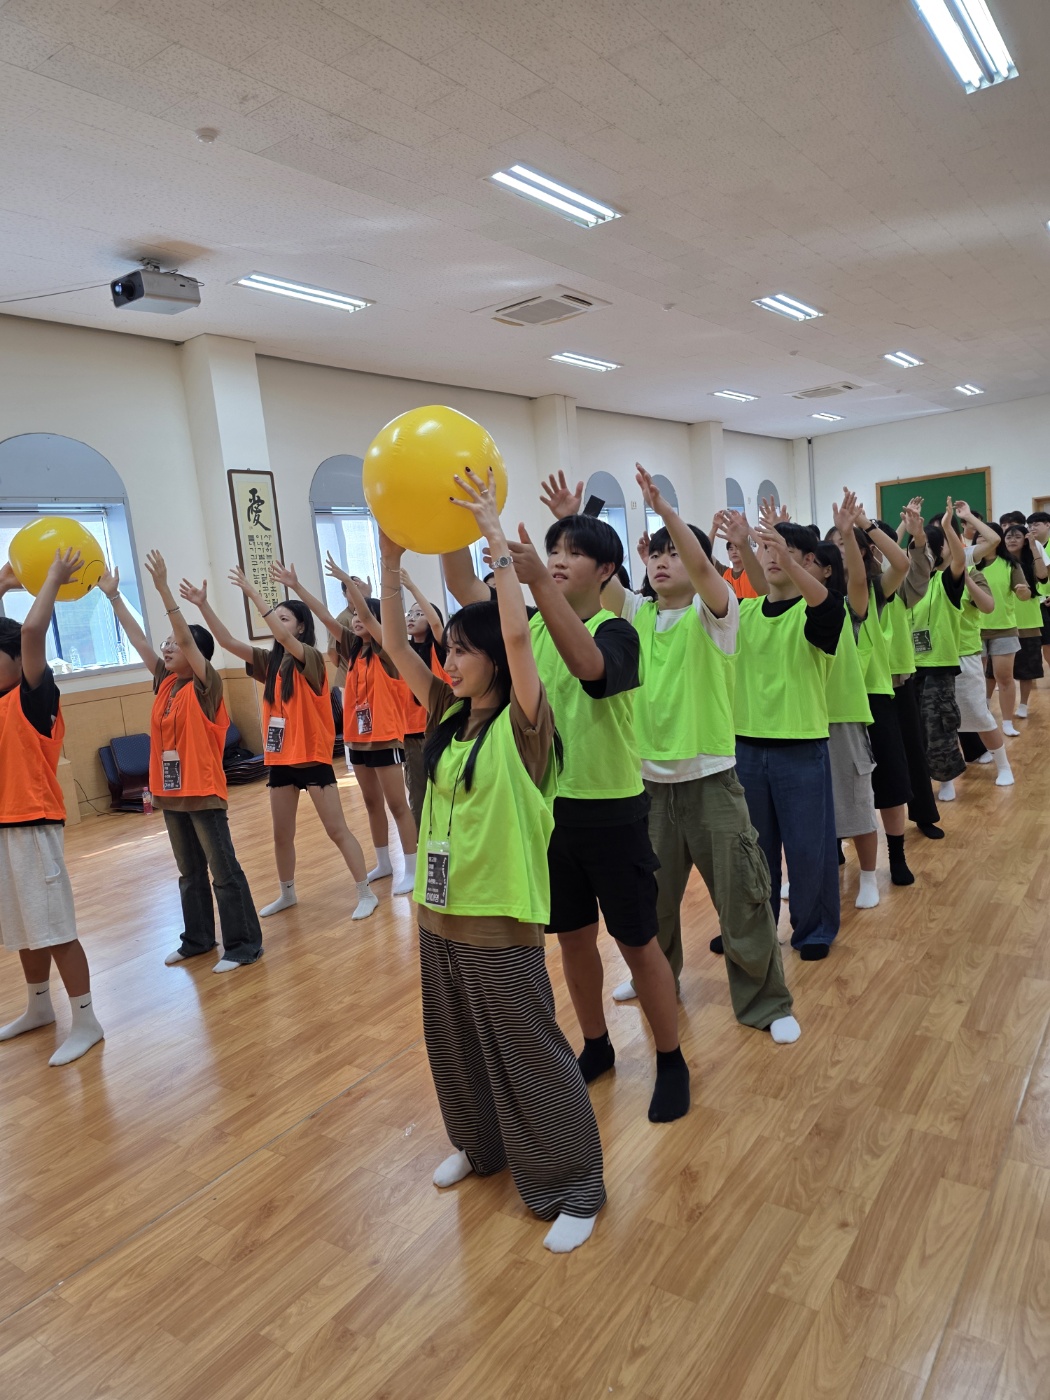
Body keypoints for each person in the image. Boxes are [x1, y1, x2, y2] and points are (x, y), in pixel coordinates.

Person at [381, 468, 606, 1254]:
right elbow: (391, 644)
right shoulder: (447, 721)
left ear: (496, 663)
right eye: (448, 648)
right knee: (452, 1043)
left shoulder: (525, 727)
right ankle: (481, 1148)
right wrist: (389, 565)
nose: (449, 660)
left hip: (500, 916)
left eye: (462, 651)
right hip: (438, 913)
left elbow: (517, 638)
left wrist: (495, 542)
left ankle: (576, 1184)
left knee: (529, 1052)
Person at [443, 507, 691, 1124]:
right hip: (548, 818)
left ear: (606, 570)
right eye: (554, 549)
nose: (558, 558)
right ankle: (597, 1045)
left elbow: (589, 668)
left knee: (638, 943)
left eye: (574, 552)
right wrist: (458, 523)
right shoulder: (526, 624)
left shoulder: (618, 631)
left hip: (613, 814)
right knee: (573, 940)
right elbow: (462, 584)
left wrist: (534, 579)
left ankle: (671, 1058)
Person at [592, 468, 799, 1042]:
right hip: (647, 786)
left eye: (673, 554)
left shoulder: (716, 615)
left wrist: (667, 513)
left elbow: (706, 571)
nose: (662, 563)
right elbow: (599, 583)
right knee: (650, 900)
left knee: (743, 897)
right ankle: (656, 977)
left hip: (712, 782)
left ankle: (766, 1001)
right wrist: (574, 523)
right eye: (655, 556)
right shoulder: (636, 615)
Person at [179, 571, 377, 921]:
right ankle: (287, 893)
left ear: (300, 628)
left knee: (336, 830)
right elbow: (226, 641)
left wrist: (255, 594)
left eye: (285, 618)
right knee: (281, 834)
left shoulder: (310, 657)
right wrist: (203, 605)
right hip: (281, 761)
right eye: (277, 617)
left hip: (312, 759)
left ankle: (365, 892)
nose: (278, 624)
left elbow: (282, 636)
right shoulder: (269, 662)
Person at [98, 552, 263, 972]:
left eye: (176, 643)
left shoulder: (208, 686)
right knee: (189, 873)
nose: (168, 647)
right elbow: (139, 639)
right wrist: (114, 597)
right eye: (167, 643)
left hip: (203, 793)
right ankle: (198, 940)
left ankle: (244, 945)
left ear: (196, 654)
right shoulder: (166, 681)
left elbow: (188, 640)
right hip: (171, 795)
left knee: (223, 872)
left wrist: (163, 589)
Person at [719, 513, 843, 959]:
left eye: (784, 551)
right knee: (754, 849)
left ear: (808, 561)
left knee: (809, 848)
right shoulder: (745, 611)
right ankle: (757, 927)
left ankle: (814, 929)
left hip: (800, 747)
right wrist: (744, 545)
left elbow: (824, 607)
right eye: (766, 549)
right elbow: (714, 588)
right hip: (747, 747)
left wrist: (782, 560)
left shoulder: (819, 611)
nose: (772, 557)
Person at [0, 551, 104, 1066]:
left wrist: (54, 580)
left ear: (17, 663)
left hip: (33, 825)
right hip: (5, 827)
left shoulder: (32, 697)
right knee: (23, 925)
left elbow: (32, 632)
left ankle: (86, 1020)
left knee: (55, 928)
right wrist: (0, 586)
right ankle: (39, 1006)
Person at [298, 557, 419, 896]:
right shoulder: (354, 650)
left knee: (397, 804)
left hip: (384, 736)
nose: (356, 619)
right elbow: (324, 616)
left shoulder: (389, 650)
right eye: (353, 616)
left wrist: (350, 585)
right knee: (370, 802)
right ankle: (383, 862)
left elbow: (366, 615)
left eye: (362, 616)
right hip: (357, 737)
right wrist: (296, 586)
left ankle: (412, 867)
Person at [810, 498, 880, 908]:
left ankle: (868, 876)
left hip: (842, 717)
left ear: (826, 570)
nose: (799, 566)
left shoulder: (844, 607)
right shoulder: (790, 607)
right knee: (808, 807)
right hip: (802, 719)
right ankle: (814, 873)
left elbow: (859, 578)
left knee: (855, 802)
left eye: (808, 561)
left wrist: (849, 534)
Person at [908, 501, 967, 803]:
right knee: (915, 730)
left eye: (933, 548)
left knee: (939, 727)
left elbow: (961, 560)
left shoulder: (945, 581)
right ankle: (920, 782)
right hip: (908, 667)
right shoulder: (907, 585)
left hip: (939, 666)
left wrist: (946, 526)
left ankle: (946, 779)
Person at [968, 512, 1028, 737]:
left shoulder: (1010, 564)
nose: (983, 540)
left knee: (1004, 677)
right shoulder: (969, 565)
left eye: (987, 537)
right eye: (979, 537)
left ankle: (1007, 722)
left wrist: (1023, 591)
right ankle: (980, 718)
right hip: (973, 629)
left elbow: (1024, 594)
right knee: (976, 678)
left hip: (1004, 628)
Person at [954, 561, 1013, 787]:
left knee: (978, 714)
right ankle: (946, 777)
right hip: (929, 658)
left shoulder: (971, 573)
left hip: (964, 654)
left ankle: (1003, 765)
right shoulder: (923, 575)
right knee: (937, 722)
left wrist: (966, 579)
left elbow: (988, 606)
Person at [398, 568, 448, 831]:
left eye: (420, 614)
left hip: (440, 728)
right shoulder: (402, 650)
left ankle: (448, 839)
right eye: (410, 613)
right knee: (417, 795)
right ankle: (423, 845)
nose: (412, 618)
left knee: (445, 788)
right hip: (412, 732)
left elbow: (438, 625)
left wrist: (411, 587)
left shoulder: (440, 648)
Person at [1002, 521, 1047, 716]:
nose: (1012, 540)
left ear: (1025, 540)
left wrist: (1034, 547)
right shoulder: (1000, 561)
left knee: (1027, 667)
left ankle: (1023, 705)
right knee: (999, 668)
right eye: (1008, 536)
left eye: (1017, 536)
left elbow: (1043, 575)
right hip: (1003, 621)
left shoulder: (1030, 561)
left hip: (1028, 621)